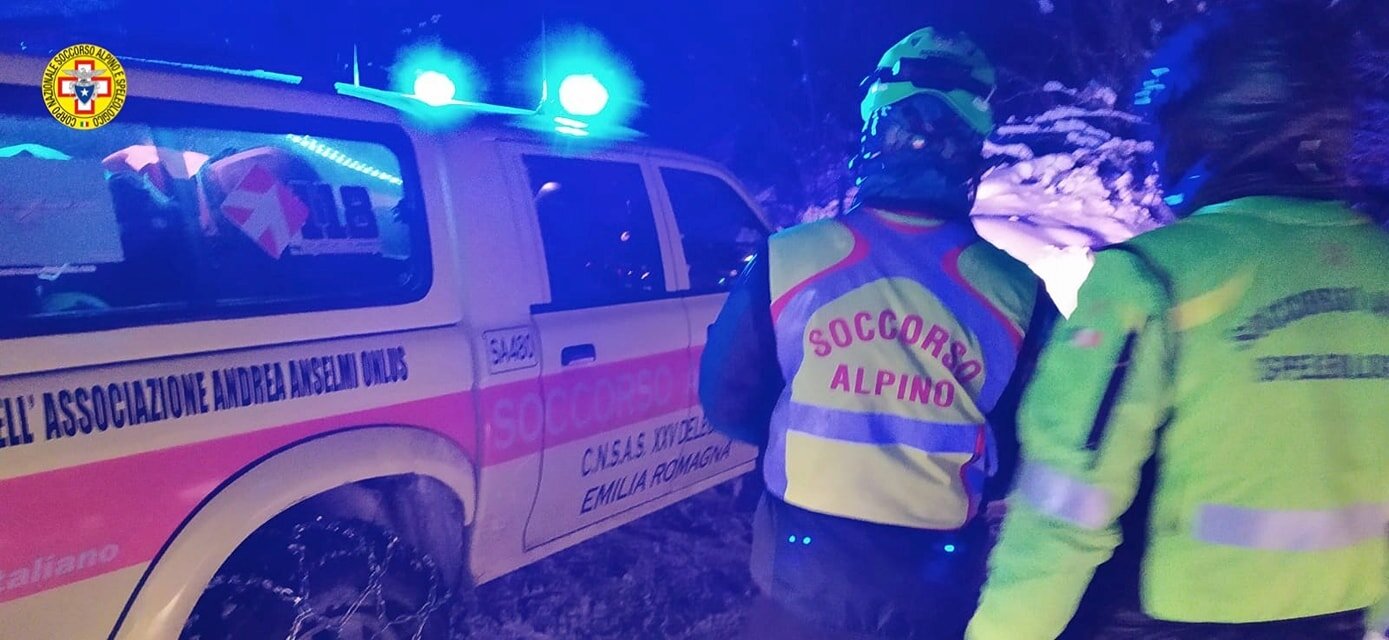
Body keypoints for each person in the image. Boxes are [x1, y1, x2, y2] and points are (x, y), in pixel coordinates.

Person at [967, 4, 1389, 639]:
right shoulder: (1375, 262)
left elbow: (1063, 507)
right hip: (1346, 618)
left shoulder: (1152, 278)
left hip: (1180, 620)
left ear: (1203, 122)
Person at [700, 27, 1052, 639]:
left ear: (874, 128)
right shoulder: (1016, 292)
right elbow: (1032, 441)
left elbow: (727, 400)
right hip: (935, 579)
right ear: (972, 142)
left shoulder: (790, 260)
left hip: (802, 565)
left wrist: (805, 441)